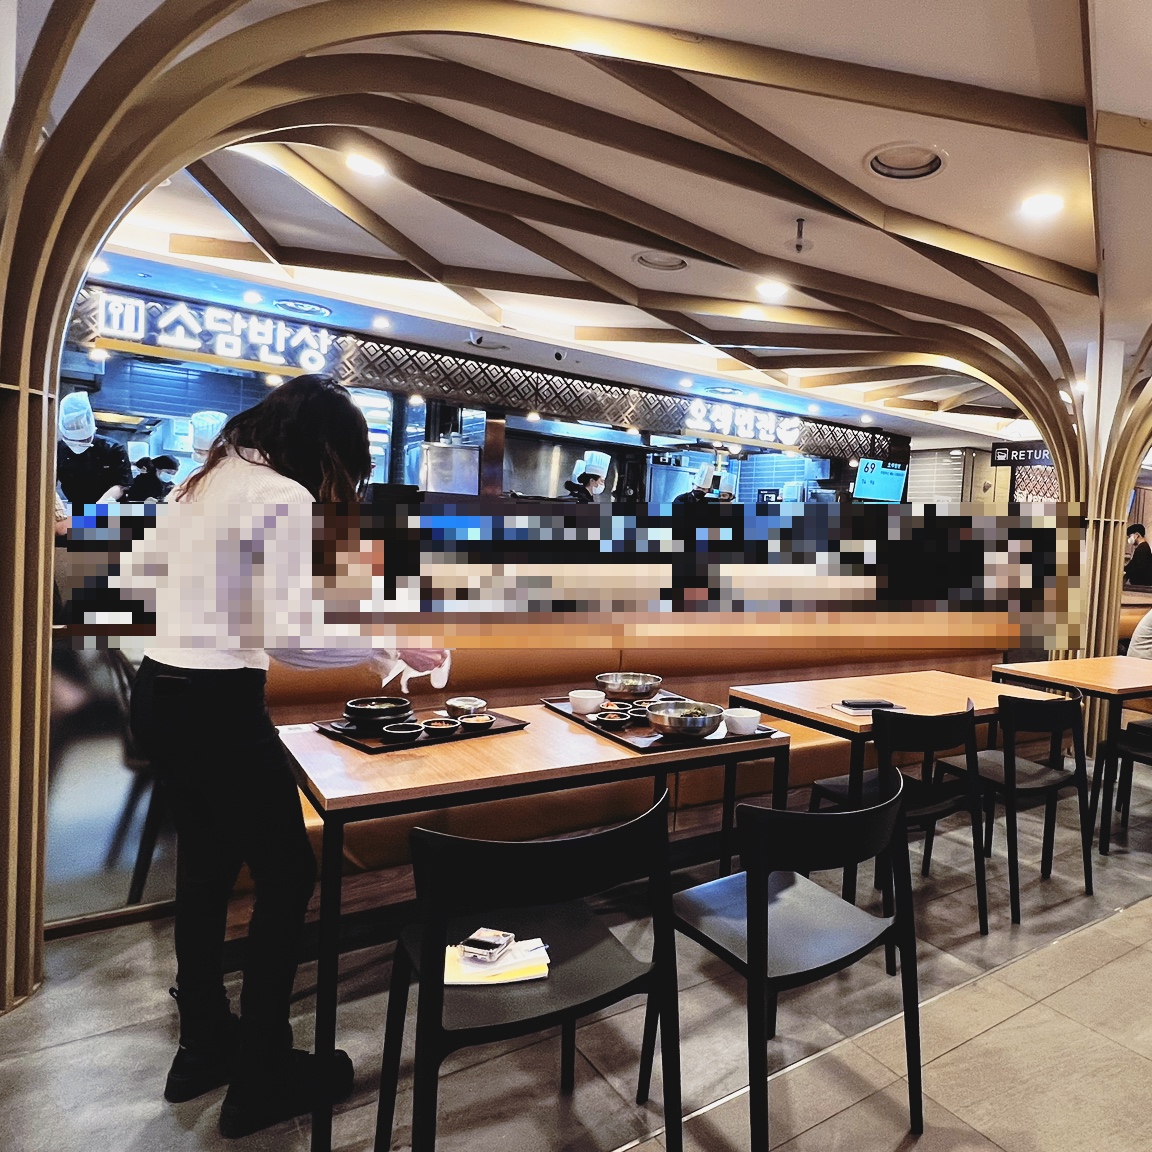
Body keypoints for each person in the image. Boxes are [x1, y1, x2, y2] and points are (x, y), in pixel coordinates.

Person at [125, 376, 420, 1137]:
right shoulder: (281, 495)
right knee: (288, 874)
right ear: (324, 449)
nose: (337, 486)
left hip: (161, 692)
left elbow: (164, 600)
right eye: (344, 467)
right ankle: (262, 1073)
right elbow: (290, 637)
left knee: (205, 869)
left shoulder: (198, 484)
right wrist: (390, 644)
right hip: (217, 704)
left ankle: (203, 1045)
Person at [56, 391, 133, 509]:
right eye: (73, 441)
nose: (79, 445)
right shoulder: (58, 450)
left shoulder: (114, 449)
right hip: (76, 507)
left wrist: (100, 506)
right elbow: (48, 482)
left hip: (110, 508)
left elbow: (121, 485)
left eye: (84, 440)